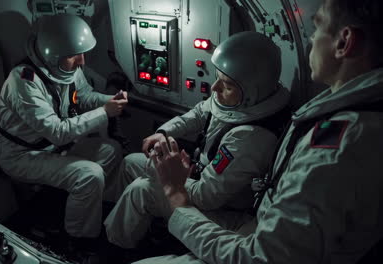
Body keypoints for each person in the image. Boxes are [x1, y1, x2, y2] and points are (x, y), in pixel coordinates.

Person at [135, 0, 383, 263]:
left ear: (344, 42)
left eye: (317, 26)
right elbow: (199, 112)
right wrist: (164, 132)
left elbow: (262, 256)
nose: (310, 39)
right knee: (137, 173)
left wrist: (176, 190)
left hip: (249, 232)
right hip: (261, 226)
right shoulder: (344, 116)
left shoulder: (337, 146)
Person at [104, 31, 291, 253]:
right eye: (218, 79)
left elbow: (206, 196)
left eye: (226, 85)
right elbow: (198, 114)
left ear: (251, 92)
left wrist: (170, 175)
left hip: (221, 207)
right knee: (131, 162)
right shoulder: (235, 102)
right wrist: (164, 132)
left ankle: (115, 249)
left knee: (140, 189)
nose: (215, 89)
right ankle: (137, 228)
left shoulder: (250, 138)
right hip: (200, 176)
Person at [0, 14, 128, 258]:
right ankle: (77, 241)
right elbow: (57, 132)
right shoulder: (23, 81)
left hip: (52, 148)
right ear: (52, 55)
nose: (82, 61)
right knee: (90, 175)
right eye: (74, 56)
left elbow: (84, 96)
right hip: (22, 154)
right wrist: (104, 113)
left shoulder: (66, 66)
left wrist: (108, 101)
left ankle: (89, 209)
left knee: (111, 150)